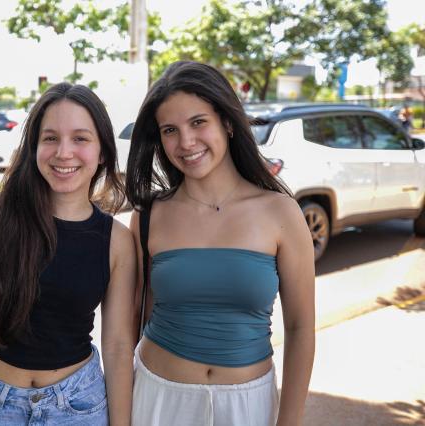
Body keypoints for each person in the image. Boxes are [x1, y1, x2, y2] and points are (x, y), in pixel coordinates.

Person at [125, 61, 315, 426]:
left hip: (247, 405)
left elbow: (301, 328)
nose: (186, 142)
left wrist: (289, 421)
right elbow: (134, 320)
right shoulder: (149, 215)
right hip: (158, 399)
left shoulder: (280, 212)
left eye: (198, 122)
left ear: (227, 122)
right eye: (170, 130)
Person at [0, 83, 137, 426]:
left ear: (102, 151)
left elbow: (117, 345)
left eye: (80, 138)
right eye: (50, 138)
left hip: (77, 408)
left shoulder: (117, 240)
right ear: (34, 147)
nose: (64, 152)